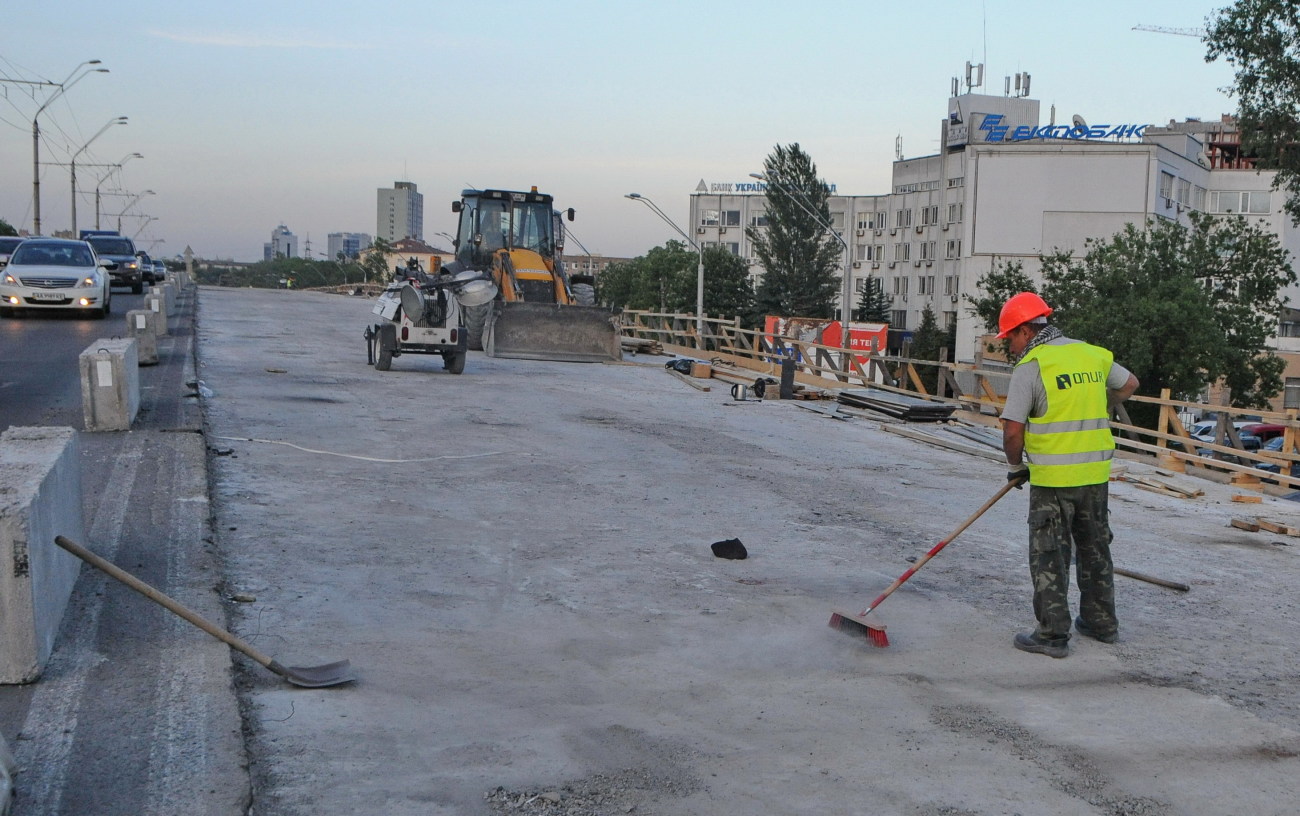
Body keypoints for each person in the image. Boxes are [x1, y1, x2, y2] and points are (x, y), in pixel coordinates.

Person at [998, 292, 1140, 658]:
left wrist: (1015, 468)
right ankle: (1101, 624)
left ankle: (1052, 635)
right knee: (1095, 549)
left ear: (1027, 331)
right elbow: (1130, 384)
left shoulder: (1032, 367)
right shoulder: (1092, 354)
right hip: (1095, 476)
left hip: (1052, 482)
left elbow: (1013, 430)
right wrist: (1101, 404)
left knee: (1049, 555)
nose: (1010, 347)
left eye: (1011, 338)